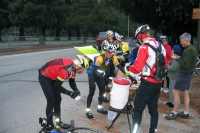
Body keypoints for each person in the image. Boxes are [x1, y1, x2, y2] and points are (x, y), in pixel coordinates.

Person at [125, 24, 167, 133]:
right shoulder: (160, 46)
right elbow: (165, 62)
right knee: (153, 110)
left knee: (137, 110)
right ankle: (152, 131)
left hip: (147, 83)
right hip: (158, 82)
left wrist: (128, 67)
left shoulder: (144, 47)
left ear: (140, 36)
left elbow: (137, 68)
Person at [38, 55, 89, 131]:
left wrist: (76, 90)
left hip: (53, 76)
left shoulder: (73, 68)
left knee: (58, 99)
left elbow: (72, 81)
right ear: (77, 66)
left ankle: (58, 123)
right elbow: (56, 87)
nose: (82, 71)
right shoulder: (65, 70)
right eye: (82, 69)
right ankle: (49, 124)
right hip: (45, 76)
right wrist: (70, 93)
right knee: (51, 100)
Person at [85, 42, 135, 119]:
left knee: (102, 91)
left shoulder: (113, 58)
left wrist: (131, 77)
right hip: (92, 73)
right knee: (92, 91)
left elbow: (121, 68)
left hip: (100, 73)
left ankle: (99, 107)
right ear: (105, 51)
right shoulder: (100, 58)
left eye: (112, 52)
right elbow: (96, 71)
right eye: (109, 52)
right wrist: (106, 78)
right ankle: (88, 110)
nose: (110, 54)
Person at [165, 32, 198, 120]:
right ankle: (185, 112)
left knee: (175, 92)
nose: (180, 43)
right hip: (189, 73)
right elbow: (186, 62)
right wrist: (179, 58)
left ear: (186, 40)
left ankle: (174, 112)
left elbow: (185, 64)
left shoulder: (189, 50)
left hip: (185, 74)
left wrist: (177, 59)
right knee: (185, 92)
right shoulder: (191, 49)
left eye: (181, 41)